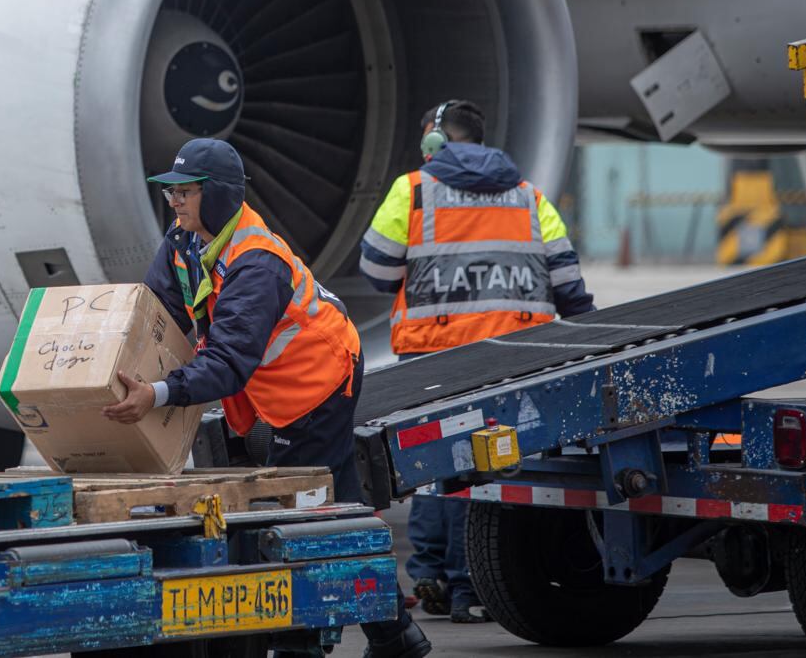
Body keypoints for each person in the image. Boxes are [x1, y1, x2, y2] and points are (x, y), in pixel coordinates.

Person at [106, 137, 431, 658]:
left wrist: (160, 394)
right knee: (341, 507)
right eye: (170, 193)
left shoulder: (256, 262)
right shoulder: (183, 240)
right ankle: (396, 636)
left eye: (185, 193)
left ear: (218, 197)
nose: (174, 203)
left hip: (318, 381)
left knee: (301, 514)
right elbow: (158, 311)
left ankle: (298, 644)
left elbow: (230, 363)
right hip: (274, 383)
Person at [360, 99, 594, 623]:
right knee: (487, 467)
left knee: (431, 464)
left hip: (430, 358)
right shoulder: (530, 197)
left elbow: (376, 269)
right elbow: (569, 287)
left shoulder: (414, 189)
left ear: (435, 141)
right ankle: (470, 589)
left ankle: (430, 575)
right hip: (510, 359)